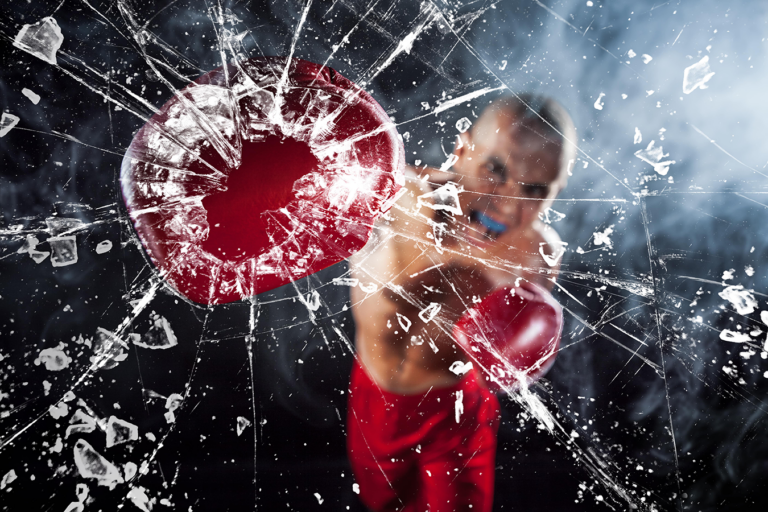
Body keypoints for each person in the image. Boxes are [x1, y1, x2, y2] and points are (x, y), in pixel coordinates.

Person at [346, 93, 577, 511]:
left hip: (455, 416)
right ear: (462, 148)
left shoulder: (535, 255)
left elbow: (508, 362)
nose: (509, 203)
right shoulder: (396, 198)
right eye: (496, 169)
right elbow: (392, 291)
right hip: (373, 403)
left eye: (536, 189)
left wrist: (519, 353)